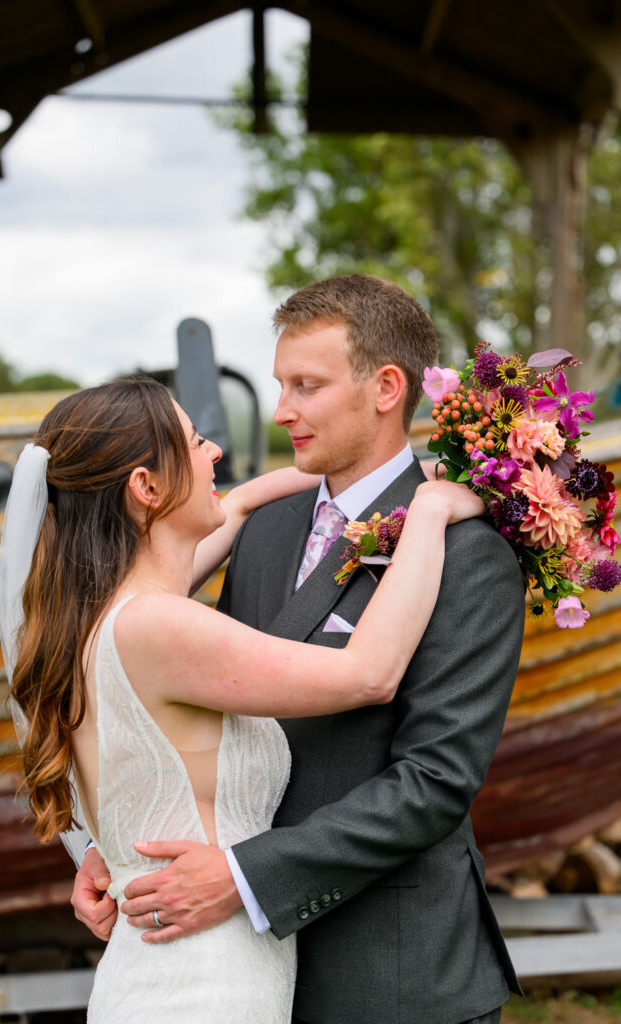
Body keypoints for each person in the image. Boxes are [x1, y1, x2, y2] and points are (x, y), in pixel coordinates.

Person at [73, 275, 526, 1024]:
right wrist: (118, 844)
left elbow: (435, 782)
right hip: (234, 963)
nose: (282, 410)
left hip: (387, 972)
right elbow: (199, 712)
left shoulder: (465, 551)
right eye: (281, 383)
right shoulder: (260, 525)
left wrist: (246, 877)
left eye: (306, 386)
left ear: (386, 387)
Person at [0, 373, 485, 1024]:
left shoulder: (80, 623)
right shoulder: (158, 626)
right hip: (204, 984)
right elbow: (368, 674)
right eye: (196, 441)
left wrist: (398, 478)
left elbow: (239, 503)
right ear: (145, 488)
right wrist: (425, 513)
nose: (216, 455)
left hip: (162, 968)